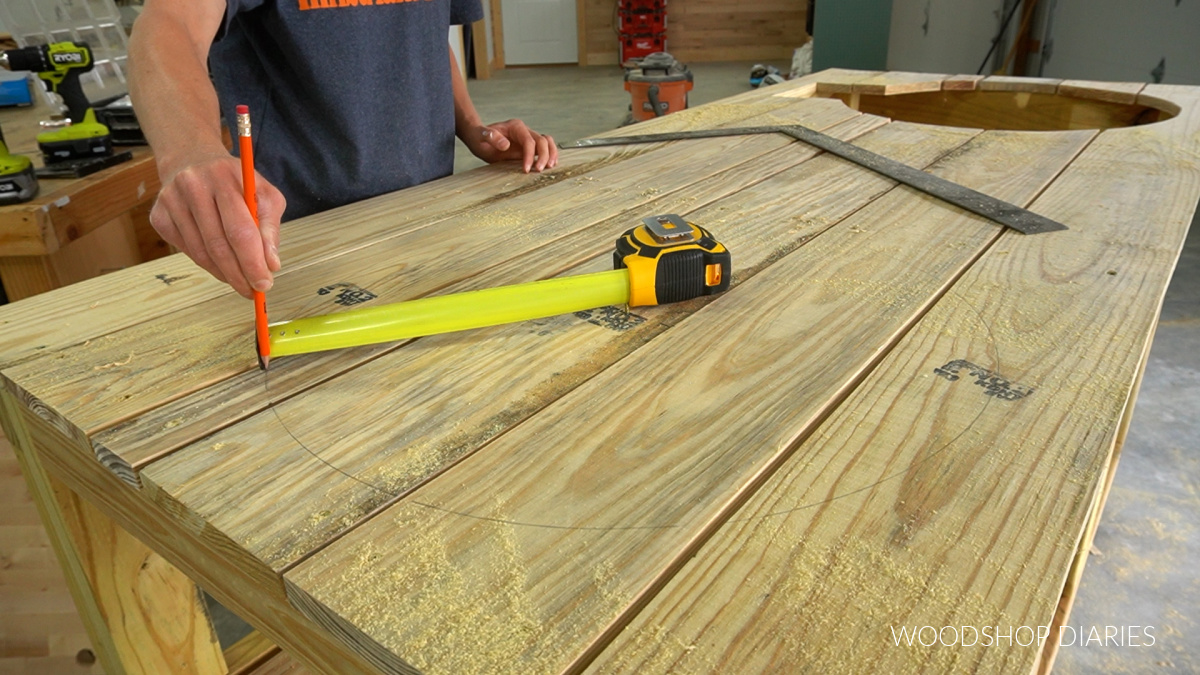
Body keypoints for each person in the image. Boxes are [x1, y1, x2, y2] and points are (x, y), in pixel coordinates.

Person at [128, 0, 558, 299]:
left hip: (427, 209)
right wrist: (189, 152)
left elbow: (426, 35)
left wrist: (474, 128)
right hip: (302, 233)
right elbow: (169, 23)